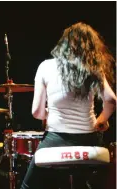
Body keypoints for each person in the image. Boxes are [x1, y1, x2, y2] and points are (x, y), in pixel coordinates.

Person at [21, 22, 116, 189]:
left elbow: (36, 112)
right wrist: (101, 121)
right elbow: (111, 100)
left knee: (29, 186)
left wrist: (47, 114)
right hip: (89, 139)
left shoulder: (45, 67)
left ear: (63, 44)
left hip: (55, 139)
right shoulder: (93, 69)